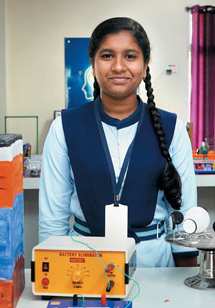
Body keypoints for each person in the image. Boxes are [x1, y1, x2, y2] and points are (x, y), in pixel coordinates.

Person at [38, 17, 198, 268]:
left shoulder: (171, 127)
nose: (119, 66)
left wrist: (185, 272)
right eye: (107, 55)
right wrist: (52, 270)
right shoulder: (65, 127)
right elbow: (52, 216)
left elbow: (185, 209)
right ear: (93, 63)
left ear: (145, 67)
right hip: (84, 258)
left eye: (131, 56)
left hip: (153, 262)